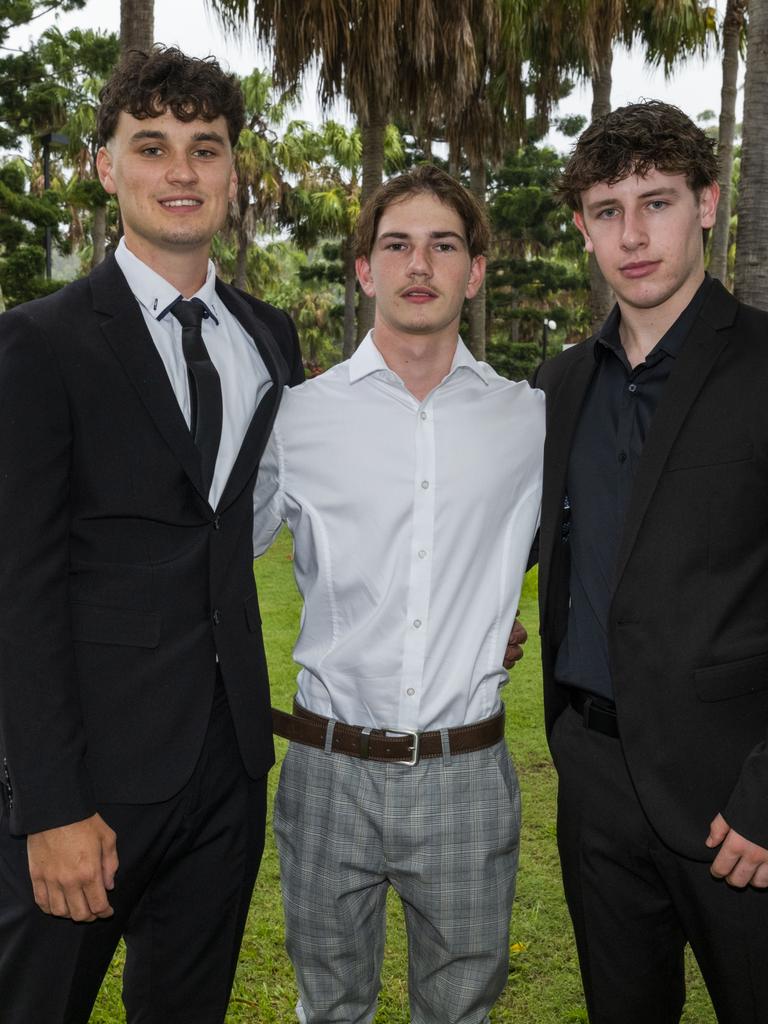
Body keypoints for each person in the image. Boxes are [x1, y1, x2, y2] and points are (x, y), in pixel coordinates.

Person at [0, 46, 303, 1023]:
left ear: (231, 170)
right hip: (87, 781)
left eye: (205, 148)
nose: (182, 171)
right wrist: (49, 805)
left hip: (227, 775)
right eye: (153, 146)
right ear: (106, 167)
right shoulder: (40, 342)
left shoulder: (270, 338)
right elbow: (20, 582)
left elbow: (270, 513)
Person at [253, 164, 545, 1024]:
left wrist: (500, 612)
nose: (420, 264)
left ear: (475, 269)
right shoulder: (298, 417)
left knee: (459, 1013)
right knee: (329, 1007)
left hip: (466, 769)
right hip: (327, 765)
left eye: (443, 245)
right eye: (397, 245)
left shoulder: (528, 417)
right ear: (364, 270)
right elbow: (210, 563)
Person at [534, 100, 768, 1024]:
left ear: (707, 204)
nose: (632, 236)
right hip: (593, 784)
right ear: (585, 227)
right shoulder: (559, 386)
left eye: (656, 203)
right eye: (606, 210)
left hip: (736, 796)